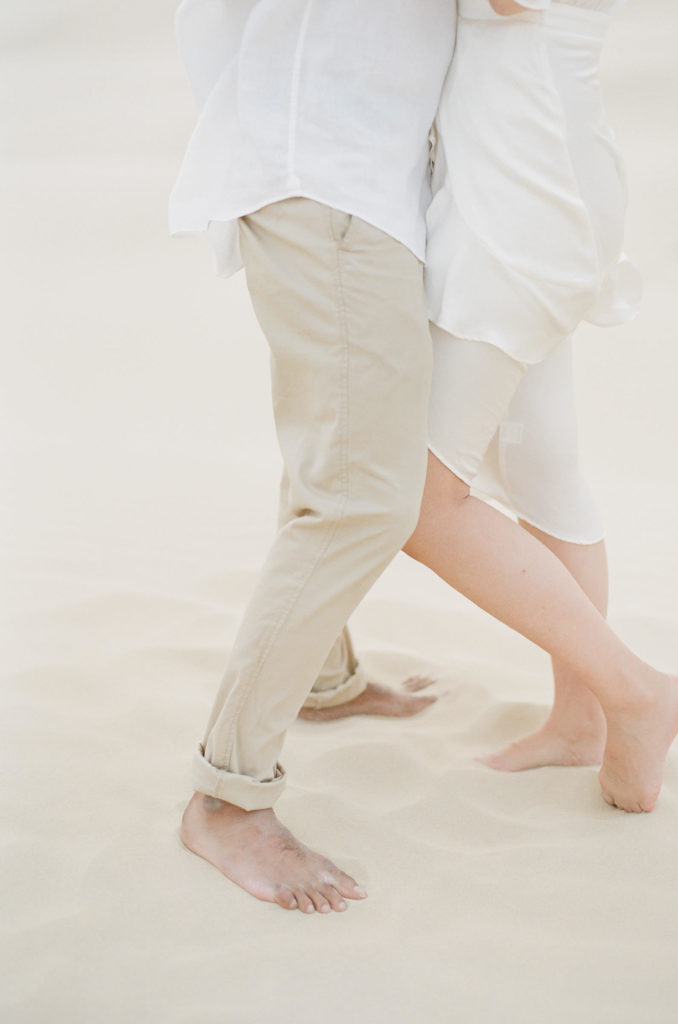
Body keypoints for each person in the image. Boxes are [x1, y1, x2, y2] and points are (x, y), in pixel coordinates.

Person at [169, 0, 458, 915]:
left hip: (341, 170)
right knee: (360, 496)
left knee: (330, 465)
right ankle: (228, 798)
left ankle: (324, 682)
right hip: (328, 173)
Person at [400, 0, 678, 808]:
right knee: (543, 470)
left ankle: (636, 693)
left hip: (522, 188)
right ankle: (578, 724)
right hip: (528, 161)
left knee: (419, 503)